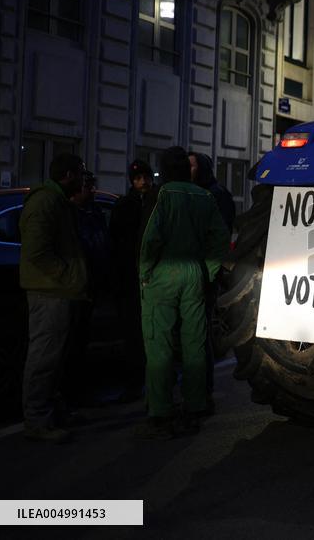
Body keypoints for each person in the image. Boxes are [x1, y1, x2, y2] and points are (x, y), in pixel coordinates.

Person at [137, 147, 229, 439]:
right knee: (194, 344)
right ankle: (195, 406)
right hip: (194, 275)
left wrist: (145, 275)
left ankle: (161, 413)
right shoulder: (204, 197)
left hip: (163, 275)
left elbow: (150, 239)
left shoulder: (162, 196)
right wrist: (209, 271)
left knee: (159, 345)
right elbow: (220, 239)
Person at [19, 153, 88, 443]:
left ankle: (49, 411)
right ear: (70, 175)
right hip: (49, 291)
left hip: (57, 290)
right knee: (44, 356)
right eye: (82, 175)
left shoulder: (57, 201)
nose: (85, 181)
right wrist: (65, 274)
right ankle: (37, 420)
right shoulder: (46, 202)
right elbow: (36, 251)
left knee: (54, 355)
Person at [187, 151, 234, 410]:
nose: (188, 170)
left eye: (192, 166)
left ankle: (203, 391)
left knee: (199, 333)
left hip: (205, 274)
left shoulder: (216, 194)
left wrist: (209, 271)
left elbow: (219, 236)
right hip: (191, 271)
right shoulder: (191, 193)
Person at [108, 160, 156, 402]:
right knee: (133, 337)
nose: (143, 182)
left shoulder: (155, 202)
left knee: (151, 335)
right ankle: (135, 384)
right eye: (138, 178)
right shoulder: (125, 205)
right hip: (129, 280)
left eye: (145, 177)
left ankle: (150, 383)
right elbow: (116, 242)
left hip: (150, 278)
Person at [62, 171, 109, 409]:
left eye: (92, 185)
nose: (91, 190)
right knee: (70, 344)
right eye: (87, 186)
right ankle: (69, 395)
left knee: (81, 342)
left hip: (91, 284)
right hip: (75, 286)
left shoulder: (95, 211)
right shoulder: (70, 214)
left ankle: (77, 393)